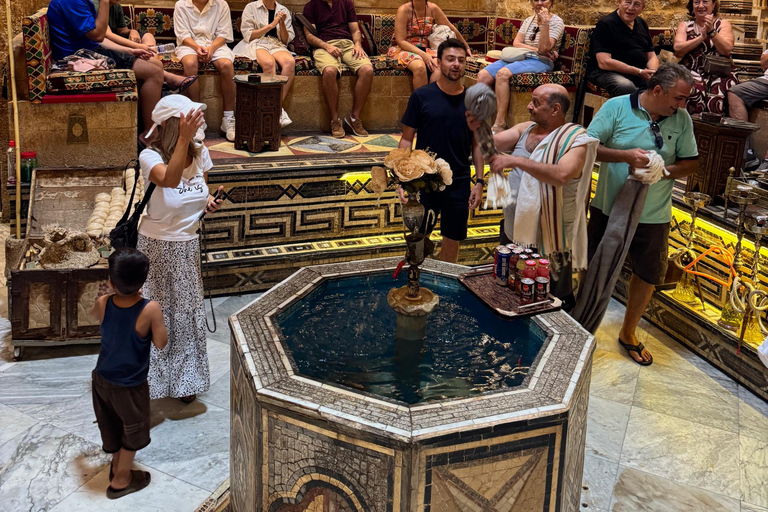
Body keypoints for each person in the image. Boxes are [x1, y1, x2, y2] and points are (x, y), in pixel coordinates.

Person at [587, 63, 698, 365]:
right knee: (594, 265)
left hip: (654, 213)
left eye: (685, 99)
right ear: (657, 90)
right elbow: (586, 147)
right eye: (678, 98)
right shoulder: (617, 108)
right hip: (609, 206)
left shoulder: (682, 119)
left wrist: (663, 172)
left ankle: (628, 333)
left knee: (646, 275)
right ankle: (582, 324)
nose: (682, 105)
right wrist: (625, 156)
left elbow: (690, 162)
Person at [137, 95, 224, 403]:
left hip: (186, 247)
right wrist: (184, 140)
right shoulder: (150, 157)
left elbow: (201, 193)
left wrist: (208, 204)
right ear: (175, 125)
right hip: (156, 248)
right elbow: (171, 180)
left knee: (186, 316)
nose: (199, 125)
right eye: (190, 121)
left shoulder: (201, 155)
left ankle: (185, 380)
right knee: (156, 316)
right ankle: (150, 381)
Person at [488, 84, 598, 281]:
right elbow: (486, 143)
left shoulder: (575, 140)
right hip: (513, 229)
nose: (529, 106)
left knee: (548, 295)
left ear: (555, 109)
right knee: (507, 285)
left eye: (535, 103)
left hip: (552, 238)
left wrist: (517, 160)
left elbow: (562, 175)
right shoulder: (525, 129)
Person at [90, 248, 168, 499]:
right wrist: (157, 317)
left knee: (111, 424)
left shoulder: (103, 302)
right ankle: (122, 479)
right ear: (143, 281)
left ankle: (116, 465)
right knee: (133, 429)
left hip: (101, 379)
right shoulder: (150, 309)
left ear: (111, 281)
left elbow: (96, 318)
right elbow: (161, 342)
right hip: (130, 384)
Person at [398, 39, 484, 263]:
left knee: (452, 239)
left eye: (461, 60)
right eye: (450, 59)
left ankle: (444, 288)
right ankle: (415, 285)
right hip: (423, 180)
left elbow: (477, 144)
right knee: (418, 238)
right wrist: (402, 179)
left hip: (459, 180)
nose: (456, 64)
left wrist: (480, 182)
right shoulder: (421, 97)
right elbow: (407, 140)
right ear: (439, 62)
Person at [47, 0, 166, 144]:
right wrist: (104, 2)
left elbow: (100, 40)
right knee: (153, 72)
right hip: (77, 56)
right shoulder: (72, 1)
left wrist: (131, 51)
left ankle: (142, 128)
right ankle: (150, 135)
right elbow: (98, 35)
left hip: (91, 50)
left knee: (155, 63)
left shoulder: (83, 2)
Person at [477, 0, 564, 133]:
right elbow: (517, 43)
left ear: (551, 2)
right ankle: (480, 121)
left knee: (502, 74)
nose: (539, 3)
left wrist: (545, 22)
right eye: (536, 0)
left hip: (541, 61)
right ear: (531, 3)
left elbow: (544, 48)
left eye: (544, 0)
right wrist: (534, 50)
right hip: (522, 56)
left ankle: (500, 124)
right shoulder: (529, 20)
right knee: (483, 75)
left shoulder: (556, 22)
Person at [302, 0, 373, 138]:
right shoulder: (311, 6)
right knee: (329, 71)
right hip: (324, 45)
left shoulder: (346, 3)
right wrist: (327, 46)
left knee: (367, 70)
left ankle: (354, 118)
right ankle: (335, 120)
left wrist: (357, 44)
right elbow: (309, 36)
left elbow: (355, 30)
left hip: (347, 45)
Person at [98, 0, 198, 93]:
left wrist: (133, 31)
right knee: (155, 64)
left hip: (120, 40)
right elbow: (107, 35)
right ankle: (159, 76)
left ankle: (147, 60)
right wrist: (138, 46)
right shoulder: (98, 6)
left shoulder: (116, 7)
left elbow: (122, 30)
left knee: (148, 36)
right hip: (106, 44)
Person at [174, 0, 237, 141]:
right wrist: (197, 48)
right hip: (189, 45)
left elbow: (223, 34)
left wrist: (211, 49)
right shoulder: (181, 5)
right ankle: (197, 119)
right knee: (190, 64)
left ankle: (228, 119)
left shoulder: (221, 4)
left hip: (214, 45)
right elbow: (183, 35)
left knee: (227, 65)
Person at [233, 0, 296, 127]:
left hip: (276, 44)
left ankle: (276, 107)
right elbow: (248, 35)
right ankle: (272, 109)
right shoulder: (251, 7)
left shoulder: (283, 10)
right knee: (268, 63)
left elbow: (285, 40)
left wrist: (282, 23)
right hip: (256, 42)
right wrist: (271, 25)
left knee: (289, 62)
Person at [387, 0, 471, 90]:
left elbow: (450, 27)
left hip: (427, 49)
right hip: (404, 48)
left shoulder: (433, 8)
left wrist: (465, 47)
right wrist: (423, 55)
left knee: (439, 67)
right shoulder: (404, 10)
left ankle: (433, 101)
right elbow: (401, 41)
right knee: (420, 67)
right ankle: (421, 102)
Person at [674, 0, 736, 115]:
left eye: (705, 2)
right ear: (692, 7)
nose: (701, 6)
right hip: (691, 71)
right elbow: (678, 50)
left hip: (720, 73)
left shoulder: (722, 24)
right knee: (692, 88)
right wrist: (701, 38)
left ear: (713, 5)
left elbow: (726, 49)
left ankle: (713, 130)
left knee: (718, 92)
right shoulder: (685, 26)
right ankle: (690, 127)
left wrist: (711, 31)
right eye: (696, 2)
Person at [585, 0, 658, 97]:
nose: (631, 8)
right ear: (619, 3)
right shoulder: (606, 24)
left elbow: (651, 55)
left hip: (638, 73)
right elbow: (604, 62)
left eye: (636, 4)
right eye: (628, 2)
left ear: (642, 8)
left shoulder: (641, 23)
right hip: (605, 72)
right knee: (626, 86)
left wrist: (652, 72)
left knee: (663, 83)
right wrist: (638, 72)